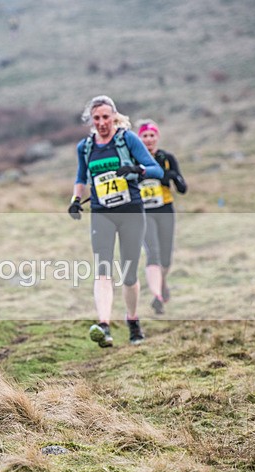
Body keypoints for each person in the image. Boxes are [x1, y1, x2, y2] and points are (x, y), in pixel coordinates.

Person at [67, 95, 163, 347]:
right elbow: (80, 177)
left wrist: (137, 170)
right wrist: (76, 199)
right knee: (103, 270)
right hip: (102, 213)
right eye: (96, 118)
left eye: (105, 117)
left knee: (129, 274)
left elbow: (156, 170)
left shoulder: (127, 139)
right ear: (91, 120)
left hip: (131, 211)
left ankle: (132, 320)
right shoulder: (85, 147)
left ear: (114, 117)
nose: (101, 123)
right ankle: (104, 325)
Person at [136, 120, 188, 315]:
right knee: (153, 253)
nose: (148, 140)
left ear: (157, 137)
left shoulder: (167, 158)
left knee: (166, 257)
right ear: (139, 139)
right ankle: (157, 296)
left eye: (151, 136)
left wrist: (171, 176)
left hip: (165, 209)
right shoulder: (133, 159)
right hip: (144, 212)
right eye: (144, 136)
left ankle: (162, 282)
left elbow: (183, 188)